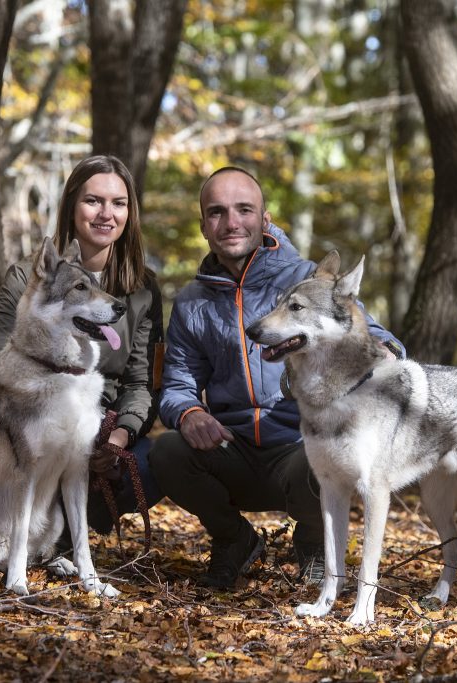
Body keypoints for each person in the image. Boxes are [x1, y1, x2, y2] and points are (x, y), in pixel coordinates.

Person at [149, 166, 405, 589]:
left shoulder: (304, 280)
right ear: (203, 226)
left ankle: (315, 543)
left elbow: (371, 333)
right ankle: (234, 539)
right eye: (217, 212)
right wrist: (190, 413)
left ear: (265, 219)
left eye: (244, 209)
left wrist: (386, 352)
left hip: (297, 448)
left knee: (324, 450)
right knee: (167, 452)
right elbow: (177, 384)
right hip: (231, 449)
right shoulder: (192, 302)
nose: (231, 222)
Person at [0, 154, 164, 551]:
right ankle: (4, 537)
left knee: (154, 462)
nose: (106, 214)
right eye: (93, 201)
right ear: (71, 206)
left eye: (119, 203)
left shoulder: (143, 288)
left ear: (130, 212)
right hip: (30, 425)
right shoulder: (28, 278)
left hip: (94, 432)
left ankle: (64, 534)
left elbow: (141, 383)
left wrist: (119, 436)